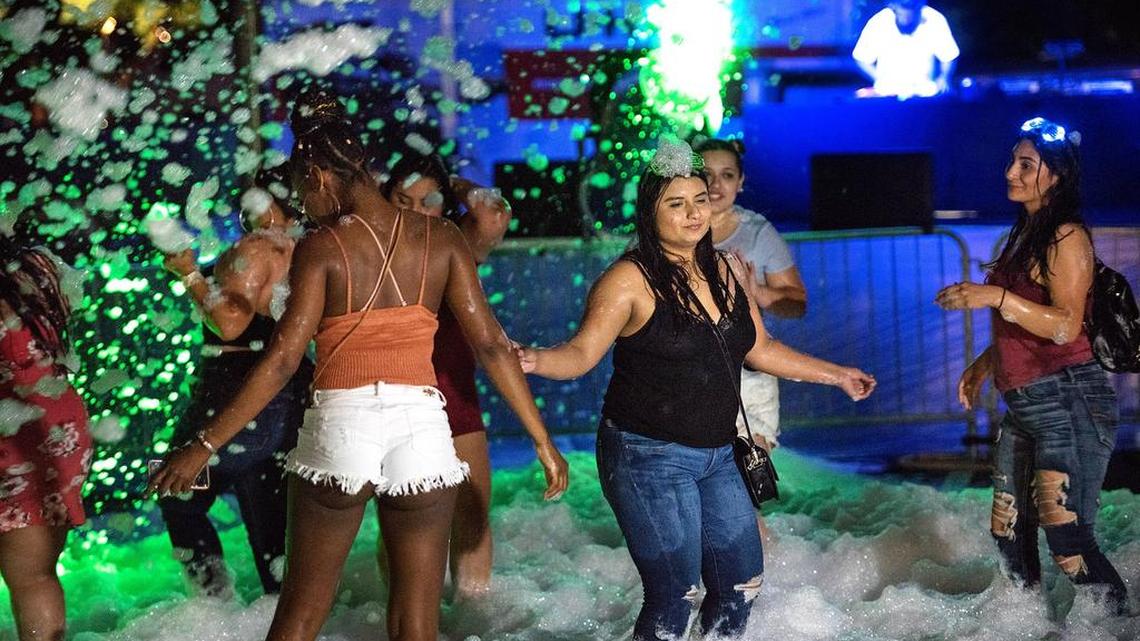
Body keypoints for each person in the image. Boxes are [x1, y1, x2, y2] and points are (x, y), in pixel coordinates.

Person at [149, 89, 568, 641]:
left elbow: (280, 361)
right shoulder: (441, 237)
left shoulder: (323, 246)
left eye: (301, 189)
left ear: (321, 177)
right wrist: (541, 438)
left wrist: (202, 446)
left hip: (343, 426)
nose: (299, 204)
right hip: (422, 430)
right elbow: (492, 345)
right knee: (417, 622)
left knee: (298, 617)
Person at [516, 137, 875, 641]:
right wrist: (533, 359)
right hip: (646, 454)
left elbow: (760, 347)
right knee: (675, 597)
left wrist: (836, 374)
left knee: (741, 584)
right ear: (650, 211)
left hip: (717, 453)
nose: (693, 214)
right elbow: (579, 355)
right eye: (676, 204)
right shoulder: (627, 280)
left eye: (700, 201)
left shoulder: (727, 270)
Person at [937, 117, 1128, 614]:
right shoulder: (1025, 232)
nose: (1010, 174)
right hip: (1027, 404)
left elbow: (1065, 326)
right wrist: (986, 363)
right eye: (1012, 162)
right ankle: (1022, 626)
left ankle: (1115, 627)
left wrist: (994, 295)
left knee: (1068, 543)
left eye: (1026, 165)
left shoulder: (1066, 237)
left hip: (1070, 400)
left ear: (1057, 175)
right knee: (1007, 529)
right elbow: (1027, 322)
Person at [155, 167, 313, 598]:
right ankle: (279, 618)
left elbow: (228, 322)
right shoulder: (308, 250)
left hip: (237, 389)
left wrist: (190, 274)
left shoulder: (260, 247)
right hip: (289, 393)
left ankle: (215, 611)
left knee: (174, 490)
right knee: (270, 530)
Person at [380, 151, 511, 596]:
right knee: (400, 520)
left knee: (471, 517)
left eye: (428, 200)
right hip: (391, 397)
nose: (416, 210)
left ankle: (475, 618)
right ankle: (400, 618)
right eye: (403, 199)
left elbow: (492, 216)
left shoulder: (456, 243)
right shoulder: (369, 249)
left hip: (453, 394)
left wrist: (449, 179)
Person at [0, 235, 92, 641]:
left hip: (17, 431)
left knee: (30, 576)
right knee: (35, 575)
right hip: (57, 423)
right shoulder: (40, 265)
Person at [696, 137, 806, 453]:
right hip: (685, 375)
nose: (715, 184)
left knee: (748, 484)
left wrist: (754, 290)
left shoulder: (756, 231)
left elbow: (797, 304)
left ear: (740, 181)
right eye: (705, 174)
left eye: (727, 175)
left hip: (748, 374)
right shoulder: (666, 226)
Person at [852, 0, 960, 99]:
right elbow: (861, 58)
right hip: (888, 94)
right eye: (903, 7)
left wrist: (944, 77)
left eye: (912, 7)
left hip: (925, 93)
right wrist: (879, 78)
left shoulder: (934, 20)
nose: (907, 13)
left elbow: (949, 55)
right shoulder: (879, 22)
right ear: (893, 6)